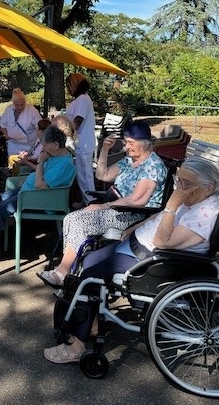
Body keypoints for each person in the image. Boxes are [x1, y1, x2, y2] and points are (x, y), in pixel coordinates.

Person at [43, 157, 219, 364]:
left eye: (186, 184)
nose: (180, 187)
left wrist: (172, 204)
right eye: (179, 180)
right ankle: (92, 324)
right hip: (137, 246)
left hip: (153, 260)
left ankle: (76, 347)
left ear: (209, 187)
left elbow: (162, 242)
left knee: (91, 278)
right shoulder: (196, 198)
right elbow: (160, 216)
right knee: (90, 260)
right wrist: (136, 227)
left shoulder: (206, 213)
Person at [37, 120, 167, 289]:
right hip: (118, 208)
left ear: (144, 144)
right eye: (125, 142)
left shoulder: (153, 165)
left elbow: (137, 200)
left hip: (134, 214)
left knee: (80, 221)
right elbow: (102, 175)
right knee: (70, 218)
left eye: (130, 143)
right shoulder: (130, 161)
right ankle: (72, 271)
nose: (126, 147)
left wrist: (101, 206)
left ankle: (62, 273)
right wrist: (104, 149)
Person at [0, 126, 76, 266]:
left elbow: (41, 185)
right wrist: (32, 174)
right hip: (29, 192)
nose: (42, 146)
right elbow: (42, 174)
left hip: (39, 199)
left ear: (55, 144)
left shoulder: (65, 164)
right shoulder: (55, 156)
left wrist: (41, 162)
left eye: (44, 143)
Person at [64, 73, 96, 205]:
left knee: (85, 176)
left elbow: (78, 120)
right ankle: (85, 201)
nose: (67, 90)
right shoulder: (80, 99)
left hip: (83, 143)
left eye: (68, 86)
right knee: (81, 175)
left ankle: (91, 203)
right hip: (80, 143)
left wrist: (68, 133)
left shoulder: (82, 99)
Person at [0, 88, 42, 157]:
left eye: (22, 104)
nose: (20, 107)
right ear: (13, 103)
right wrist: (6, 135)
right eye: (17, 105)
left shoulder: (32, 110)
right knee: (13, 164)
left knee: (26, 166)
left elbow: (40, 125)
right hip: (13, 145)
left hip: (29, 145)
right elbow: (2, 124)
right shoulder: (8, 109)